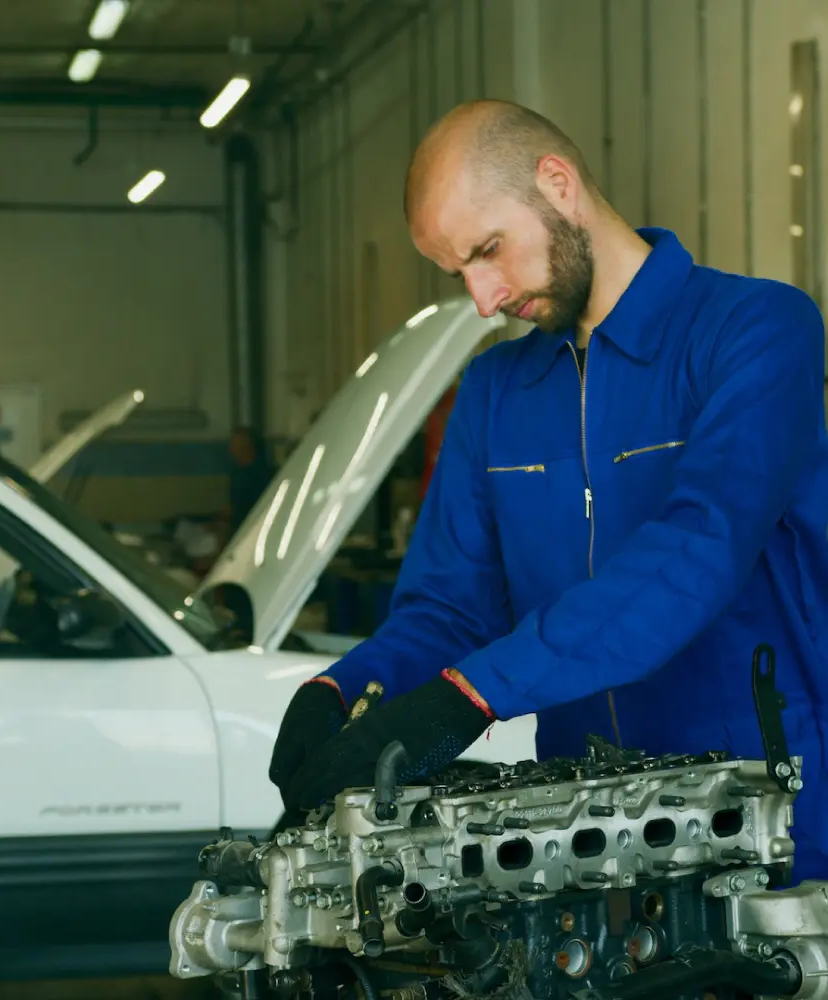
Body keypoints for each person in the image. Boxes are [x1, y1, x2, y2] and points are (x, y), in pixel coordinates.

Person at [268, 99, 828, 882]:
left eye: (488, 250)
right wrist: (346, 690)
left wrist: (472, 695)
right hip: (582, 843)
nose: (483, 298)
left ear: (558, 184)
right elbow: (449, 608)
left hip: (775, 817)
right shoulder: (496, 389)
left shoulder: (756, 329)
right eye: (460, 271)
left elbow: (702, 545)